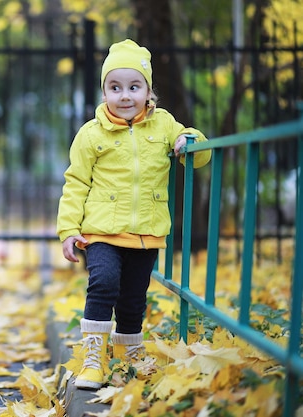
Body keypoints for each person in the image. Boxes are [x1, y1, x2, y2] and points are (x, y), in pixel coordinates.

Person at [56, 39, 211, 390]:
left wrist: (189, 139)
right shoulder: (90, 134)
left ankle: (129, 357)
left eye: (133, 87)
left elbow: (199, 153)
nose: (124, 95)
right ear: (104, 91)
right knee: (104, 283)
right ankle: (93, 358)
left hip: (146, 232)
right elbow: (75, 182)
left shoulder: (164, 125)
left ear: (147, 91)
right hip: (101, 232)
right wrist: (68, 230)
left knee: (132, 299)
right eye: (115, 87)